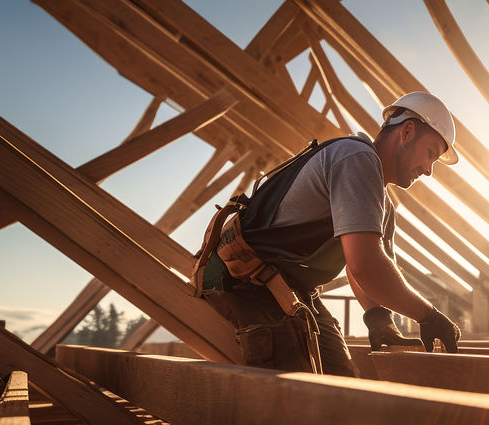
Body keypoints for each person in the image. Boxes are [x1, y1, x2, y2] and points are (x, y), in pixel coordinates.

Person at [196, 91, 462, 377]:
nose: (430, 171)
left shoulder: (381, 204)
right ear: (407, 132)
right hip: (245, 279)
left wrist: (378, 318)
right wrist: (428, 316)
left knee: (341, 385)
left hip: (287, 288)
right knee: (302, 399)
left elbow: (358, 267)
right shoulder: (355, 159)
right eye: (431, 153)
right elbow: (366, 265)